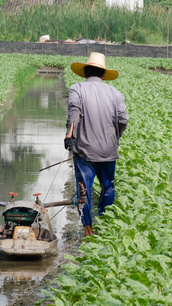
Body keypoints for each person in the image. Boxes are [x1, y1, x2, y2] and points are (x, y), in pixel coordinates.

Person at [64, 52, 128, 237]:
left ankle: (87, 230)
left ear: (85, 73)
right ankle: (106, 227)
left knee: (83, 189)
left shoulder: (77, 88)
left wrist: (70, 134)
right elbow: (123, 120)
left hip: (84, 151)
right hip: (109, 150)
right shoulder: (116, 93)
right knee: (108, 187)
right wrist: (114, 138)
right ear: (102, 74)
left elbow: (74, 113)